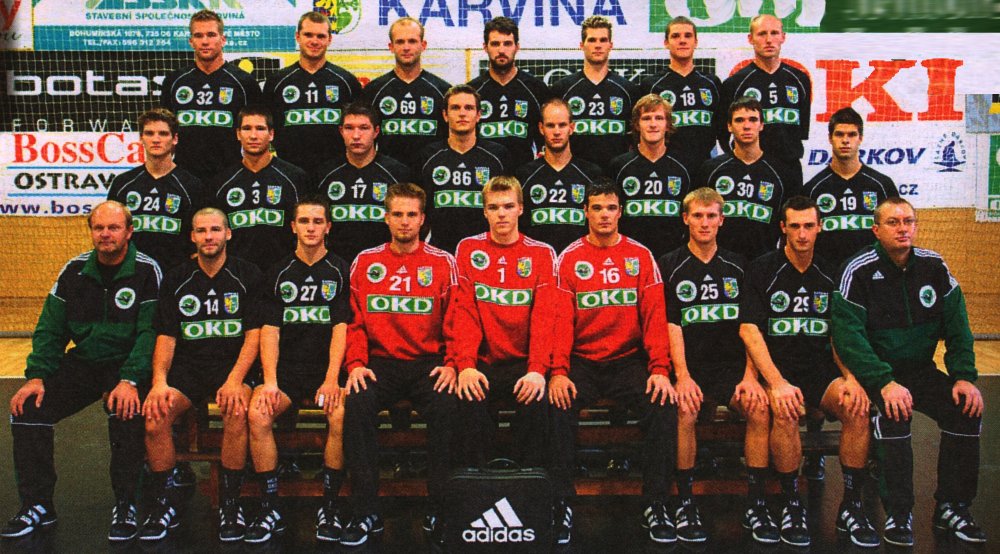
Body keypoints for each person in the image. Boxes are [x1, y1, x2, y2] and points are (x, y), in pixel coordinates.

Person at [2, 201, 161, 541]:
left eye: (113, 227)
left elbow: (151, 333)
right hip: (86, 361)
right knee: (28, 409)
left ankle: (127, 503)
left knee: (126, 410)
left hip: (126, 363)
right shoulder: (73, 271)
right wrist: (36, 376)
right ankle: (37, 504)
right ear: (91, 231)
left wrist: (130, 378)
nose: (105, 234)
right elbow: (50, 328)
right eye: (98, 228)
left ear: (129, 232)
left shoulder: (147, 271)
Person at [833, 198, 986, 547]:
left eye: (908, 221)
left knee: (966, 410)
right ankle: (899, 513)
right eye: (893, 222)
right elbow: (848, 338)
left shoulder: (934, 267)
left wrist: (964, 376)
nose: (902, 228)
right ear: (876, 230)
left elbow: (958, 327)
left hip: (920, 371)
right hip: (878, 374)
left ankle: (952, 506)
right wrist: (884, 382)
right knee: (894, 415)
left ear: (916, 226)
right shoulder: (858, 270)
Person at [739, 196, 879, 548]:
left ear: (820, 228)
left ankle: (851, 505)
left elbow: (840, 333)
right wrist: (776, 382)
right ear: (783, 228)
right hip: (779, 369)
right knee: (786, 412)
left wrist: (851, 378)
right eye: (795, 226)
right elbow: (750, 331)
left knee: (857, 408)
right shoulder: (762, 269)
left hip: (820, 370)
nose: (802, 234)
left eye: (809, 226)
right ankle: (791, 502)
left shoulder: (834, 273)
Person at [549, 180, 677, 545]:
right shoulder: (569, 258)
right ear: (585, 213)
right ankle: (561, 502)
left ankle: (656, 503)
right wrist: (558, 372)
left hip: (626, 361)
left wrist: (660, 370)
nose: (604, 215)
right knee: (555, 405)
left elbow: (655, 318)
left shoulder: (641, 256)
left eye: (610, 208)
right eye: (596, 208)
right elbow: (560, 322)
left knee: (662, 404)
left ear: (620, 212)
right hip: (582, 361)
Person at [341, 183, 459, 547]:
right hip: (380, 363)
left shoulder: (443, 262)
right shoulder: (366, 261)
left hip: (428, 363)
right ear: (386, 218)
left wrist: (453, 364)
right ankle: (366, 510)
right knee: (357, 403)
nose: (404, 222)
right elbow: (354, 323)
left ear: (422, 219)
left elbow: (457, 320)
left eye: (411, 215)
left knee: (449, 405)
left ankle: (440, 508)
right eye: (397, 214)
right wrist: (355, 364)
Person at [138, 208, 261, 543]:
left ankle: (231, 504)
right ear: (192, 236)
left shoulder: (247, 275)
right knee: (155, 416)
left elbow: (254, 336)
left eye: (215, 230)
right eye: (202, 231)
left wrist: (235, 380)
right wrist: (159, 381)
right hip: (189, 368)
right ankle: (164, 503)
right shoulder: (177, 278)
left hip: (232, 367)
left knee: (236, 411)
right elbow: (166, 337)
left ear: (228, 234)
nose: (209, 236)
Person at [657, 187, 765, 544]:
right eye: (698, 216)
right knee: (684, 410)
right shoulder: (669, 264)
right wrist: (682, 376)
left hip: (730, 368)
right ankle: (685, 501)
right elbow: (671, 326)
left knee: (758, 407)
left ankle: (756, 501)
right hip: (689, 366)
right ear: (685, 219)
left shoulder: (739, 265)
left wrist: (750, 377)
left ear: (722, 220)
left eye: (711, 216)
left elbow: (750, 327)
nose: (704, 223)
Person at [243, 198, 352, 544]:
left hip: (328, 371)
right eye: (304, 221)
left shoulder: (341, 270)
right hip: (287, 372)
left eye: (318, 221)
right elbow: (270, 331)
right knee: (258, 413)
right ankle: (269, 507)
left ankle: (330, 506)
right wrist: (270, 381)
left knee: (340, 416)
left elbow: (341, 329)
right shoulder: (277, 272)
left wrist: (332, 379)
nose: (310, 227)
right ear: (292, 226)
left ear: (328, 227)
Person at [451, 175, 556, 468]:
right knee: (466, 397)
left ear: (521, 208)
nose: (501, 214)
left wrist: (537, 370)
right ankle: (478, 483)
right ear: (484, 211)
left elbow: (544, 319)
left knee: (537, 399)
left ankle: (527, 481)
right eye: (493, 207)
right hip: (483, 361)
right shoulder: (468, 249)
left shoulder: (541, 253)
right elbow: (465, 313)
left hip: (524, 362)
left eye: (508, 206)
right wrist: (466, 366)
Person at [161, 9, 263, 181]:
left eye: (211, 35)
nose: (205, 41)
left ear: (223, 40)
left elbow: (257, 133)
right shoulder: (174, 81)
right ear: (191, 41)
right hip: (185, 177)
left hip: (231, 176)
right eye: (198, 36)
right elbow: (165, 132)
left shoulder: (244, 82)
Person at [697, 97, 798, 260]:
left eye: (753, 119)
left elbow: (789, 226)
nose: (746, 126)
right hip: (719, 263)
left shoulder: (781, 173)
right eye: (739, 120)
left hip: (764, 263)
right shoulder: (710, 169)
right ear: (729, 126)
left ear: (761, 125)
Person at [416, 84, 511, 254]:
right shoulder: (427, 156)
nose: (462, 113)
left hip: (488, 251)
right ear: (445, 115)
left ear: (479, 115)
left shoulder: (498, 156)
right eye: (455, 108)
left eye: (469, 108)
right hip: (439, 251)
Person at [264, 12, 363, 175]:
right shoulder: (277, 82)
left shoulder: (346, 82)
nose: (314, 41)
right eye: (308, 35)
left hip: (337, 173)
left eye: (321, 36)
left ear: (329, 39)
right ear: (298, 37)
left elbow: (359, 130)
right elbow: (266, 129)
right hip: (289, 172)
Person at [107, 108, 204, 272]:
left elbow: (198, 239)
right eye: (149, 133)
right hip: (131, 274)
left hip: (175, 275)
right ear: (141, 138)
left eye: (163, 134)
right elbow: (111, 232)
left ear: (175, 139)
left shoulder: (192, 186)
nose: (156, 139)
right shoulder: (123, 184)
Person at [210, 106, 305, 272]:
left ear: (271, 134)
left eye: (260, 128)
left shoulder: (295, 178)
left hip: (285, 272)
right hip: (236, 274)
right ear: (238, 134)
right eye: (247, 128)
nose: (253, 136)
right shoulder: (221, 183)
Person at [314, 102, 412, 263]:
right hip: (336, 265)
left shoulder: (398, 174)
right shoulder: (324, 174)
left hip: (385, 264)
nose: (356, 135)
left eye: (364, 128)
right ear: (341, 131)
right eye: (349, 128)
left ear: (376, 131)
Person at [803, 107, 899, 269]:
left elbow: (896, 233)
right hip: (829, 276)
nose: (845, 140)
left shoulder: (882, 185)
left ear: (860, 138)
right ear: (830, 138)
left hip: (874, 275)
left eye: (852, 135)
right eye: (839, 134)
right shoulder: (813, 189)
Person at [720, 14, 811, 184]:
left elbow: (801, 130)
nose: (769, 40)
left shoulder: (799, 80)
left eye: (774, 33)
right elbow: (724, 134)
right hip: (750, 169)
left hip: (789, 169)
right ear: (750, 39)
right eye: (762, 34)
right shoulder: (735, 83)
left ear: (783, 37)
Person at [360, 17, 450, 168]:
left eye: (412, 41)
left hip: (431, 173)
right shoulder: (373, 91)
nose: (406, 47)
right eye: (400, 42)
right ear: (391, 47)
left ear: (423, 45)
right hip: (388, 174)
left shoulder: (443, 91)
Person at [609, 94, 692, 259]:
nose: (653, 124)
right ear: (637, 125)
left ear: (668, 125)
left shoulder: (685, 166)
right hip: (629, 256)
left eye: (659, 118)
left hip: (673, 257)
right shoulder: (618, 166)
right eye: (646, 118)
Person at [515, 98, 603, 252]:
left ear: (571, 127)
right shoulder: (524, 175)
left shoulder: (592, 174)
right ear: (541, 128)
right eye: (550, 125)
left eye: (562, 125)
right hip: (537, 260)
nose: (556, 132)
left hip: (581, 260)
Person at [551, 16, 639, 168]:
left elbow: (637, 139)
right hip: (575, 174)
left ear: (610, 45)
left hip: (616, 173)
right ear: (581, 45)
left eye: (603, 40)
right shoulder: (563, 89)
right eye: (592, 40)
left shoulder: (628, 90)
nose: (598, 45)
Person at [468, 16, 552, 169]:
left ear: (517, 47)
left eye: (507, 43)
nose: (501, 50)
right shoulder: (472, 91)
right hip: (483, 176)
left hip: (524, 176)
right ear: (485, 47)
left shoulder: (536, 89)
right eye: (495, 44)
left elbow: (547, 137)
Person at [641, 16, 724, 170]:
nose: (682, 41)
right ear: (666, 43)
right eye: (675, 36)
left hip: (705, 168)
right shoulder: (652, 85)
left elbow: (724, 129)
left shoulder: (711, 83)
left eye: (688, 36)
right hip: (667, 169)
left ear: (696, 42)